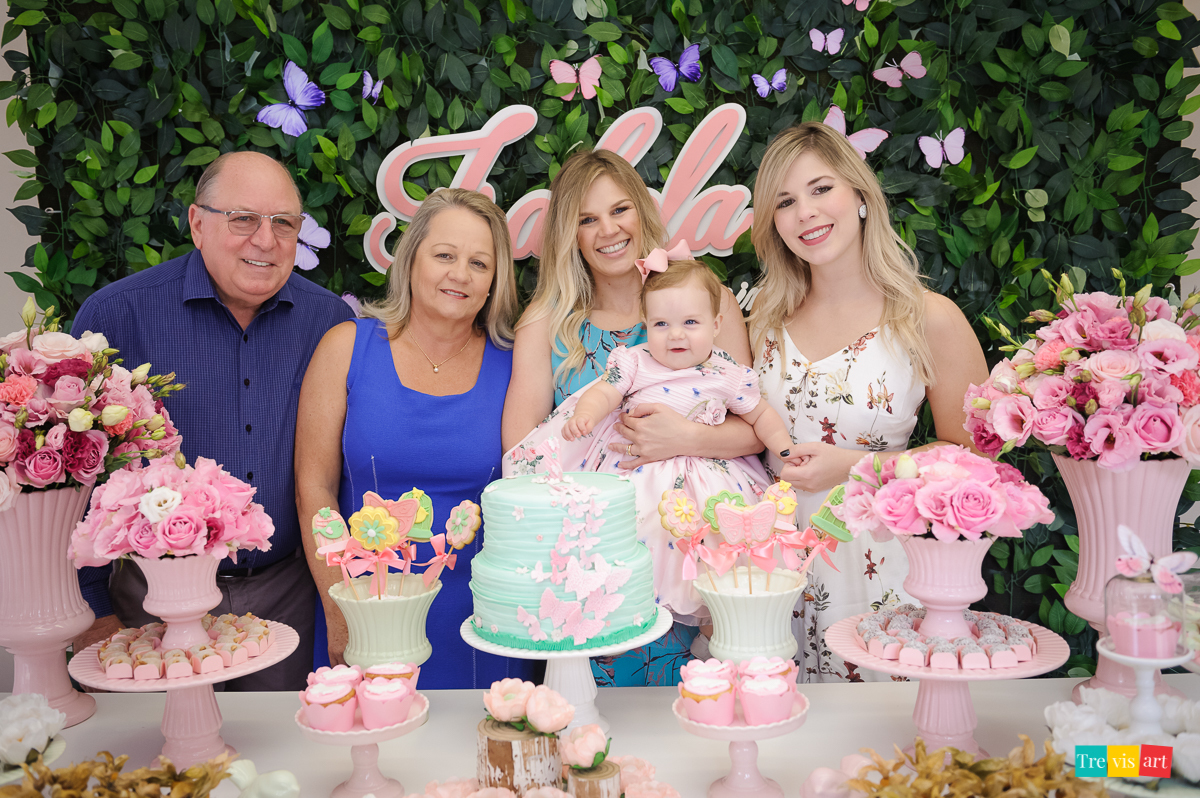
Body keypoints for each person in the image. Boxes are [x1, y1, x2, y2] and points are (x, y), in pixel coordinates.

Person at [72, 151, 355, 690]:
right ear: (197, 224)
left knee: (282, 740)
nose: (266, 240)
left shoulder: (331, 323)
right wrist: (93, 610)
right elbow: (73, 477)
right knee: (155, 742)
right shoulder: (117, 316)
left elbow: (338, 470)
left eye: (284, 223)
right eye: (243, 219)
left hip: (286, 596)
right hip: (148, 598)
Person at [503, 149, 764, 686]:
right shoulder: (548, 321)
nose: (608, 230)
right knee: (602, 721)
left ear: (642, 213)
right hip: (600, 561)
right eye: (587, 219)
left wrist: (683, 437)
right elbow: (523, 455)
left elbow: (751, 426)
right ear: (570, 236)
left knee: (711, 702)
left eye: (619, 210)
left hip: (701, 544)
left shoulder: (703, 299)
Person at [748, 122, 989, 683]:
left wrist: (858, 467)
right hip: (770, 574)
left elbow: (979, 459)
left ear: (860, 195)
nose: (805, 212)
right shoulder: (761, 317)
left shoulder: (927, 318)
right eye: (785, 201)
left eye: (820, 188)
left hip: (878, 572)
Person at [295, 187, 534, 689]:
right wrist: (341, 609)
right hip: (368, 608)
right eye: (444, 255)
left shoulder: (518, 366)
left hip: (488, 617)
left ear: (495, 282)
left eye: (479, 263)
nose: (460, 274)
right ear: (411, 261)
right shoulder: (347, 347)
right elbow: (313, 489)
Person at [506, 257, 798, 621]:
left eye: (690, 323)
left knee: (721, 537)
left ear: (716, 324)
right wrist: (587, 415)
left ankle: (714, 623)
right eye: (662, 324)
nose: (676, 335)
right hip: (641, 472)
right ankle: (624, 607)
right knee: (632, 530)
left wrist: (784, 447)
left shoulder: (727, 373)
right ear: (647, 326)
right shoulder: (636, 361)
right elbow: (605, 392)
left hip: (710, 476)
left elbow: (760, 415)